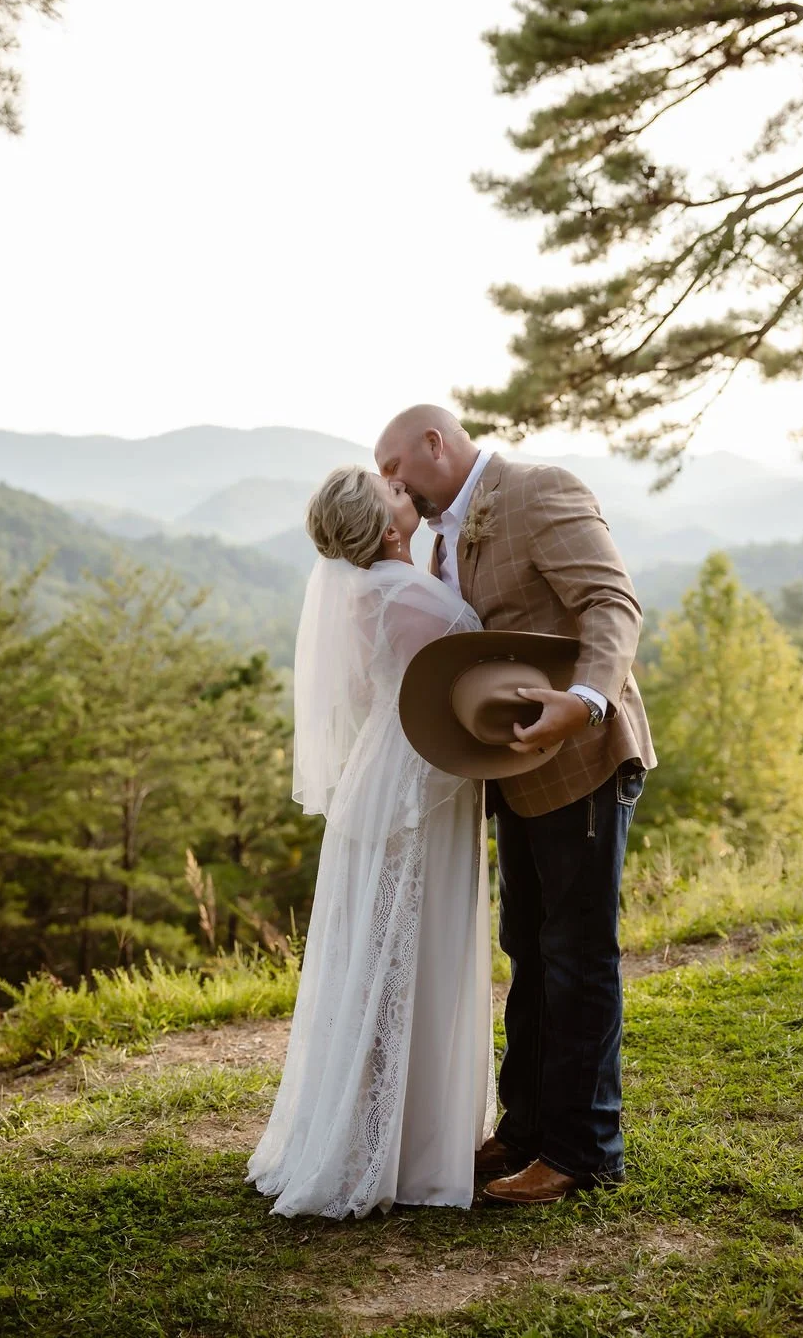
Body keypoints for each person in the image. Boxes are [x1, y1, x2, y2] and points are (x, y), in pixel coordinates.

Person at [375, 406, 656, 1206]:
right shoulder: (440, 536)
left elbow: (612, 603)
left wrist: (588, 699)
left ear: (437, 442)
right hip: (516, 777)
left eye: (398, 468)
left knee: (576, 953)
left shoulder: (539, 489)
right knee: (528, 948)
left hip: (583, 760)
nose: (394, 486)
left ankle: (584, 1149)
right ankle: (527, 1127)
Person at [246, 465, 495, 1218]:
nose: (403, 489)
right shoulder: (410, 593)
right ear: (389, 528)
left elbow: (365, 696)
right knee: (411, 953)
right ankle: (402, 1144)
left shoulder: (359, 595)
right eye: (391, 493)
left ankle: (370, 1128)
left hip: (376, 776)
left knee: (376, 957)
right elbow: (473, 662)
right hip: (419, 783)